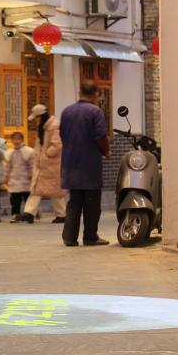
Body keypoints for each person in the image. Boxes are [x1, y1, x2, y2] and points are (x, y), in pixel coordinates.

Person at [60, 81, 111, 247]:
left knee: (74, 202)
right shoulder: (95, 112)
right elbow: (100, 136)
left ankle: (69, 237)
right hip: (89, 165)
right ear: (95, 94)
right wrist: (106, 151)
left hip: (70, 164)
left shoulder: (66, 112)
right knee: (92, 204)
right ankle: (90, 236)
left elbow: (62, 135)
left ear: (80, 93)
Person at [23, 104, 68, 223]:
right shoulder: (44, 127)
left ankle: (61, 214)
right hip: (44, 165)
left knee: (55, 191)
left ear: (41, 116)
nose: (35, 121)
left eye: (36, 118)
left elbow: (57, 145)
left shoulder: (54, 126)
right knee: (38, 189)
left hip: (52, 164)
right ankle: (30, 212)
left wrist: (46, 155)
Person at [3, 131, 36, 221]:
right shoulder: (10, 152)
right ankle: (15, 215)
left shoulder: (28, 151)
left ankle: (29, 215)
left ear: (22, 140)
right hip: (14, 179)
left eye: (18, 139)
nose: (16, 141)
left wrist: (32, 175)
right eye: (14, 139)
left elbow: (32, 165)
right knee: (15, 199)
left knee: (27, 199)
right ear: (12, 140)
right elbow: (8, 167)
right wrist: (5, 177)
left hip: (26, 179)